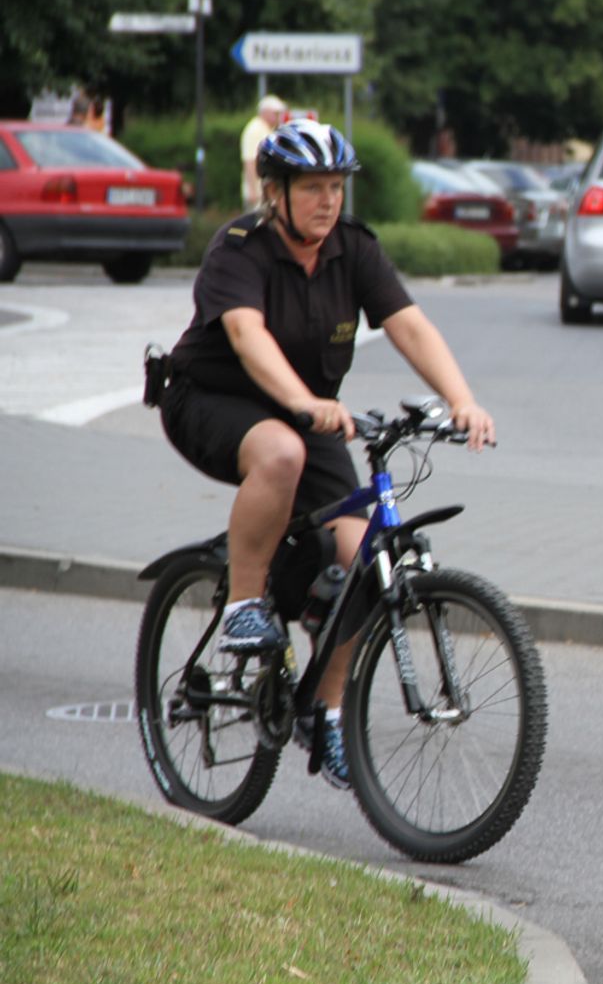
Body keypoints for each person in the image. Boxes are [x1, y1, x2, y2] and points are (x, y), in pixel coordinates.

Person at [160, 119, 495, 788]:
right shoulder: (240, 249)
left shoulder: (353, 250)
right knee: (281, 452)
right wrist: (304, 401)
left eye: (337, 187)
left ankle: (325, 709)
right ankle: (243, 606)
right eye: (312, 187)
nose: (328, 200)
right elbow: (247, 338)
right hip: (211, 400)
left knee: (368, 560)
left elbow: (408, 324)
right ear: (275, 190)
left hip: (305, 413)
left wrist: (462, 398)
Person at [240, 94, 288, 210]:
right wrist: (252, 190)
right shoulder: (255, 130)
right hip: (257, 192)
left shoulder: (266, 129)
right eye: (275, 114)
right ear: (264, 113)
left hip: (265, 190)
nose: (278, 117)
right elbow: (250, 160)